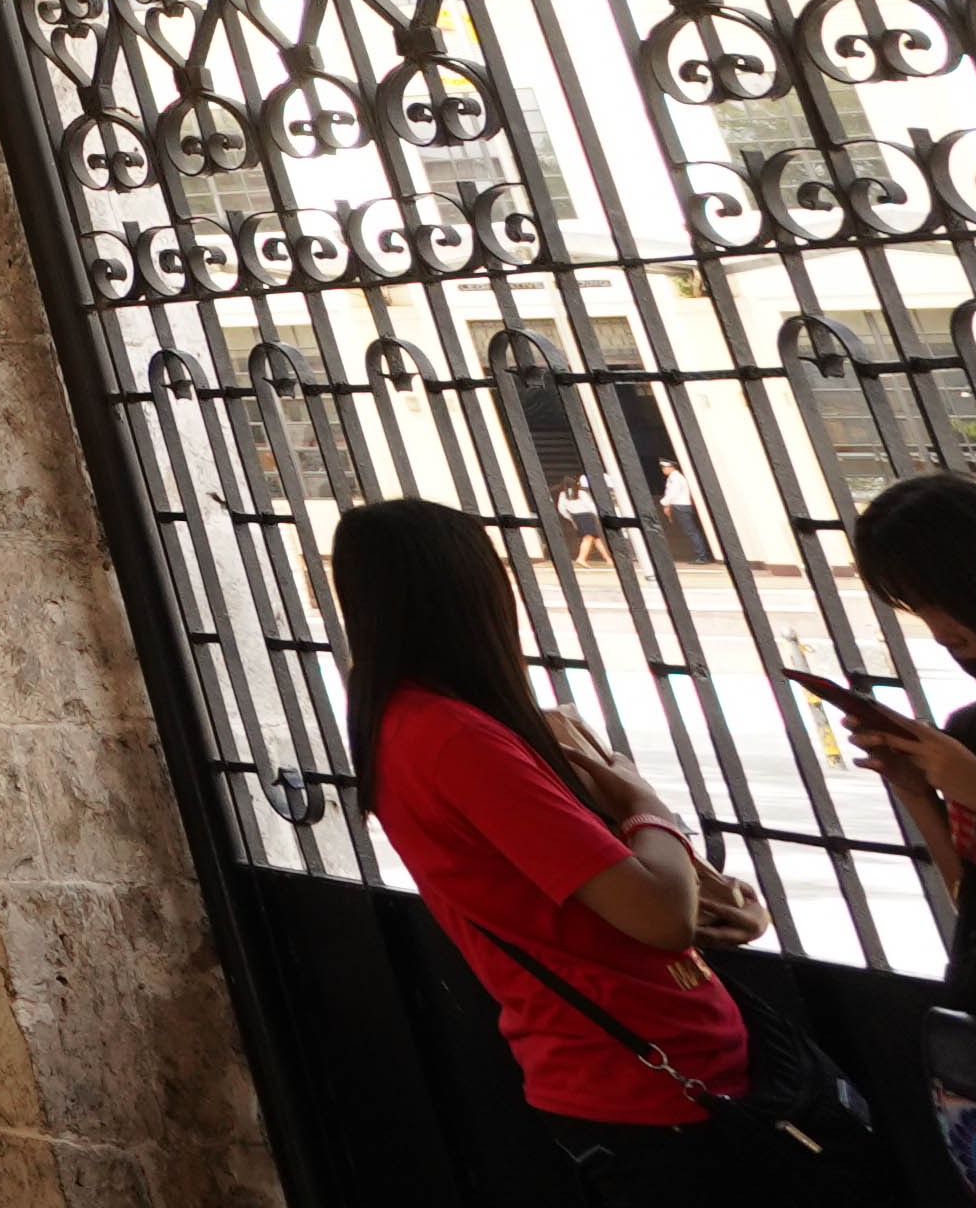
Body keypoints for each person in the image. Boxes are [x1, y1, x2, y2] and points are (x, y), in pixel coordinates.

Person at [328, 498, 774, 1192]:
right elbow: (661, 916)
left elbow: (582, 885)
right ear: (470, 591)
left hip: (636, 1062)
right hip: (643, 1080)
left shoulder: (414, 720)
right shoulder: (455, 739)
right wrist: (644, 802)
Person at [832, 470, 976, 1007]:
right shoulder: (975, 729)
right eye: (912, 604)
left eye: (938, 598)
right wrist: (919, 791)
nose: (937, 630)